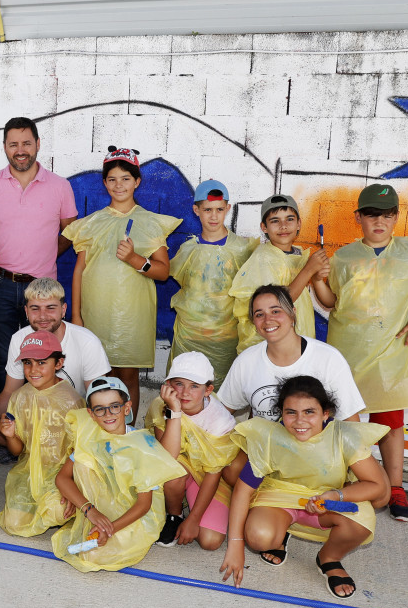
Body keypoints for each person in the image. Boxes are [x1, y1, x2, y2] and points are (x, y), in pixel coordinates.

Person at [312, 183, 408, 522]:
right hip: (349, 351)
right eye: (372, 214)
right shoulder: (344, 256)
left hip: (393, 352)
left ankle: (396, 487)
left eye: (387, 215)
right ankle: (352, 484)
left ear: (396, 218)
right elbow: (330, 303)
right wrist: (317, 280)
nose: (379, 222)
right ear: (358, 217)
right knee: (348, 422)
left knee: (389, 423)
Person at [219, 376, 389, 599]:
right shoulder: (270, 437)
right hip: (279, 498)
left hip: (325, 500)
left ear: (325, 413)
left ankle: (329, 558)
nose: (300, 421)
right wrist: (235, 545)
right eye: (291, 412)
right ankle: (280, 534)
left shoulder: (343, 436)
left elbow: (376, 486)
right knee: (259, 537)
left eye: (309, 412)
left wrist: (336, 495)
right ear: (281, 412)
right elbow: (243, 490)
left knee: (361, 523)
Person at [64, 146, 180, 420]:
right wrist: (77, 316)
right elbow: (79, 270)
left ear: (137, 182)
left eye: (126, 178)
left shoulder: (150, 222)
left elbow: (163, 272)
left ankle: (125, 432)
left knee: (128, 375)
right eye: (113, 179)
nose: (119, 185)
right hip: (97, 313)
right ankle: (100, 430)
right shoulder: (90, 223)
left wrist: (135, 259)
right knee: (98, 374)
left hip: (133, 315)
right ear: (104, 183)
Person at [0, 117, 78, 394]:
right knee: (7, 356)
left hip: (43, 289)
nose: (20, 150)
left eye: (27, 143)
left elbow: (72, 232)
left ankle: (38, 417)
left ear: (38, 144)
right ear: (4, 147)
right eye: (13, 144)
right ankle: (9, 422)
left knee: (43, 355)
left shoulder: (60, 186)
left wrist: (47, 253)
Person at [51, 377, 186, 572]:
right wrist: (90, 511)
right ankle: (93, 520)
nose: (108, 414)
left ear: (127, 407)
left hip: (133, 515)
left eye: (114, 406)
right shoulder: (91, 437)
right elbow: (62, 478)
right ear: (91, 414)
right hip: (98, 507)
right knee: (77, 469)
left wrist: (109, 528)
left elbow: (143, 505)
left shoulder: (140, 445)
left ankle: (103, 527)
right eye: (100, 409)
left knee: (93, 556)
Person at [218, 286, 369, 441]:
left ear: (293, 314)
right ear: (254, 323)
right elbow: (219, 412)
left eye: (276, 311)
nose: (268, 319)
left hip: (317, 456)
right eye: (259, 314)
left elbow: (351, 423)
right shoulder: (246, 361)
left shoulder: (328, 358)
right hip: (264, 457)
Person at [0, 277, 110, 445]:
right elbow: (10, 392)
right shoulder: (19, 338)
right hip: (36, 417)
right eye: (35, 308)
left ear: (63, 310)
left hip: (75, 420)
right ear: (26, 311)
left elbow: (98, 399)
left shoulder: (87, 341)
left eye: (50, 308)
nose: (42, 316)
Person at [144, 352, 239, 550]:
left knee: (210, 541)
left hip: (210, 476)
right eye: (179, 384)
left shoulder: (220, 421)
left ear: (208, 390)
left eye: (194, 386)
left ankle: (187, 505)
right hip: (177, 468)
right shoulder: (161, 405)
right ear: (168, 385)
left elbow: (213, 474)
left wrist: (194, 519)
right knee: (174, 474)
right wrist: (174, 413)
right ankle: (174, 514)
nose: (185, 392)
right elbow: (167, 460)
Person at [168, 179, 256, 388]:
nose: (214, 216)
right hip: (188, 336)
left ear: (228, 208)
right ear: (196, 210)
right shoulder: (188, 249)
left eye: (219, 209)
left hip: (225, 339)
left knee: (222, 395)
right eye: (207, 209)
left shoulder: (243, 250)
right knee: (182, 391)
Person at [0, 332, 84, 537]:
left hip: (62, 474)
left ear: (58, 363)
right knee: (14, 524)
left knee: (57, 511)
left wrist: (72, 488)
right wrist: (10, 435)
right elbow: (18, 451)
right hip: (28, 473)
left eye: (42, 362)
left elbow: (81, 452)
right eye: (28, 362)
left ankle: (78, 504)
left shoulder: (71, 401)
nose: (33, 370)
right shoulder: (19, 397)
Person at [228, 195, 326, 353]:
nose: (283, 226)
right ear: (264, 227)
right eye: (275, 221)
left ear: (299, 223)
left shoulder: (298, 254)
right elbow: (280, 304)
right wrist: (308, 270)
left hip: (297, 342)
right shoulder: (263, 259)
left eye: (289, 219)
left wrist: (316, 275)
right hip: (270, 348)